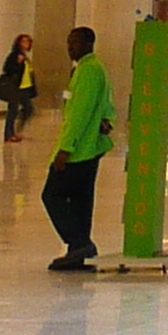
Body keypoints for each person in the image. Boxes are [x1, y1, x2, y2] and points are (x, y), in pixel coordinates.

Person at [40, 27, 114, 270]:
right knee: (81, 200)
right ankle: (77, 252)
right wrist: (106, 121)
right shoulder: (94, 68)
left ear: (89, 43)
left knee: (52, 195)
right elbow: (106, 103)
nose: (70, 47)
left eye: (74, 43)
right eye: (68, 42)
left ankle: (80, 242)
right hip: (90, 147)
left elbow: (79, 114)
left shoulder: (88, 71)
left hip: (79, 150)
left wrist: (65, 148)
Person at [0, 33, 39, 142]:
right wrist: (18, 63)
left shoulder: (25, 56)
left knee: (28, 109)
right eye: (23, 42)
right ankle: (9, 134)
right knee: (12, 111)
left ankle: (17, 130)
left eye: (28, 42)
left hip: (24, 87)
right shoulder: (14, 55)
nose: (26, 44)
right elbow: (7, 69)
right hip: (15, 87)